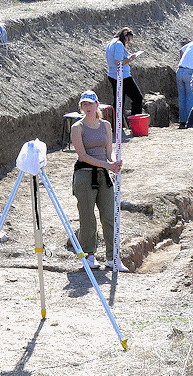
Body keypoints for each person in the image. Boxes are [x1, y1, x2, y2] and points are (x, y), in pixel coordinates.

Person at [70, 91, 129, 272]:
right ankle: (88, 255)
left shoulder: (105, 125)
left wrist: (113, 163)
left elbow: (108, 153)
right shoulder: (77, 128)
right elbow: (82, 155)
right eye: (84, 105)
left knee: (110, 216)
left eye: (90, 104)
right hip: (85, 176)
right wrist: (107, 165)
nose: (87, 108)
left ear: (97, 105)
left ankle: (113, 257)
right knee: (87, 217)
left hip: (104, 176)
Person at [105, 27, 143, 119]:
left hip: (113, 75)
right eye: (128, 39)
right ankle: (135, 123)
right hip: (122, 76)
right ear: (125, 35)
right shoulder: (118, 44)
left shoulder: (111, 43)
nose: (128, 42)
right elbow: (118, 62)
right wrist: (130, 59)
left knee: (118, 102)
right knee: (137, 98)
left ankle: (117, 126)